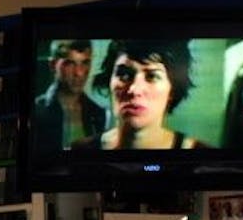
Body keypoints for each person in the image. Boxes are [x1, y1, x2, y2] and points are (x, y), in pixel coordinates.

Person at [72, 39, 207, 150]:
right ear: (109, 81)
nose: (134, 90)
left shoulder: (203, 158)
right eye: (124, 75)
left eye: (152, 76)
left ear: (172, 89)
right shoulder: (79, 151)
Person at [31, 39, 106, 150]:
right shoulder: (36, 111)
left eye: (85, 63)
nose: (79, 73)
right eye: (70, 63)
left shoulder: (98, 114)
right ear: (52, 65)